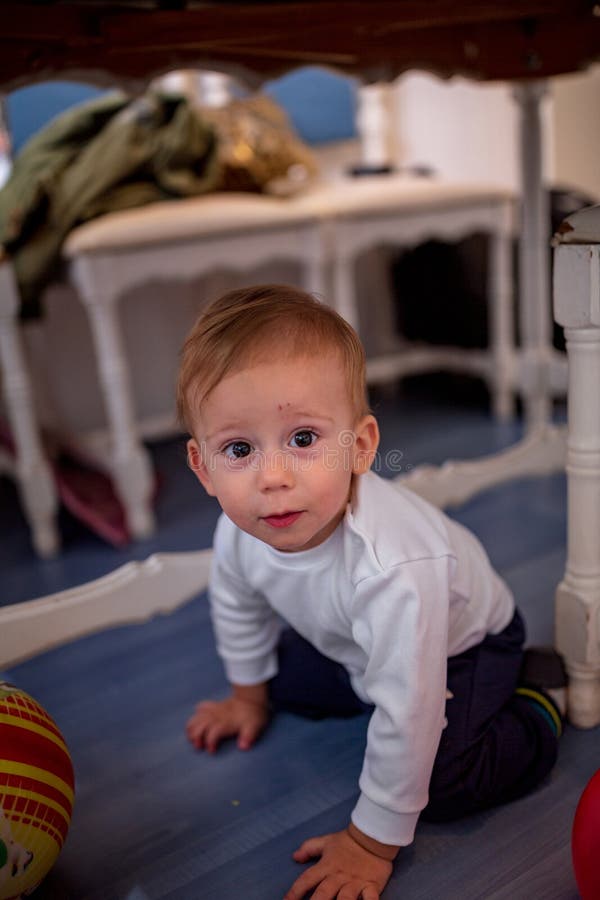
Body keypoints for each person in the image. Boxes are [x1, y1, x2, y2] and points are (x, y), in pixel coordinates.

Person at [177, 283, 566, 900]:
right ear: (202, 468)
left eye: (303, 439)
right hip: (365, 644)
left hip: (465, 649)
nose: (272, 478)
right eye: (239, 449)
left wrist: (369, 842)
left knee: (439, 785)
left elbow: (414, 705)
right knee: (284, 680)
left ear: (359, 447)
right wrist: (247, 697)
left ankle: (538, 703)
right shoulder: (236, 534)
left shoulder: (392, 566)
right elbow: (237, 606)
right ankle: (360, 689)